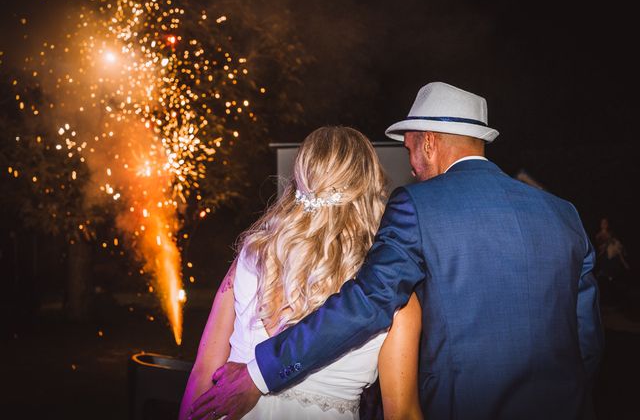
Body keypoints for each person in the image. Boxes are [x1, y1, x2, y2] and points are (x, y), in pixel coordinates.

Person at [194, 81, 604, 420]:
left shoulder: (418, 205)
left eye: (409, 149)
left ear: (428, 143)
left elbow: (369, 299)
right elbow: (585, 338)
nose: (410, 166)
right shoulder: (563, 213)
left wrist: (262, 373)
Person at [181, 126, 423, 419]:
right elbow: (402, 414)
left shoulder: (251, 255)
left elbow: (204, 371)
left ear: (301, 177)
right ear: (371, 187)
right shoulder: (392, 298)